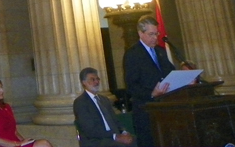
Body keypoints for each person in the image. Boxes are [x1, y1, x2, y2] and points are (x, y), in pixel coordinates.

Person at [123, 15, 175, 147]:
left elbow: (171, 73)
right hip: (146, 112)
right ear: (140, 33)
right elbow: (131, 86)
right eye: (151, 34)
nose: (155, 38)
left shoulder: (161, 51)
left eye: (156, 34)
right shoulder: (133, 54)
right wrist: (151, 93)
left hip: (166, 108)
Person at [0, 76, 53, 147]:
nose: (2, 91)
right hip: (3, 145)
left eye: (2, 87)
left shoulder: (6, 107)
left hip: (15, 143)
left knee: (44, 144)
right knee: (44, 144)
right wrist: (17, 144)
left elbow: (14, 132)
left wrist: (25, 141)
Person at [73, 67, 136, 147]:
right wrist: (115, 136)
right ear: (84, 82)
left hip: (112, 137)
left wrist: (124, 132)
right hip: (96, 141)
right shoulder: (81, 102)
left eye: (97, 79)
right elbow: (90, 130)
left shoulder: (104, 99)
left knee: (136, 140)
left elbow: (115, 120)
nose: (96, 82)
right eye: (92, 79)